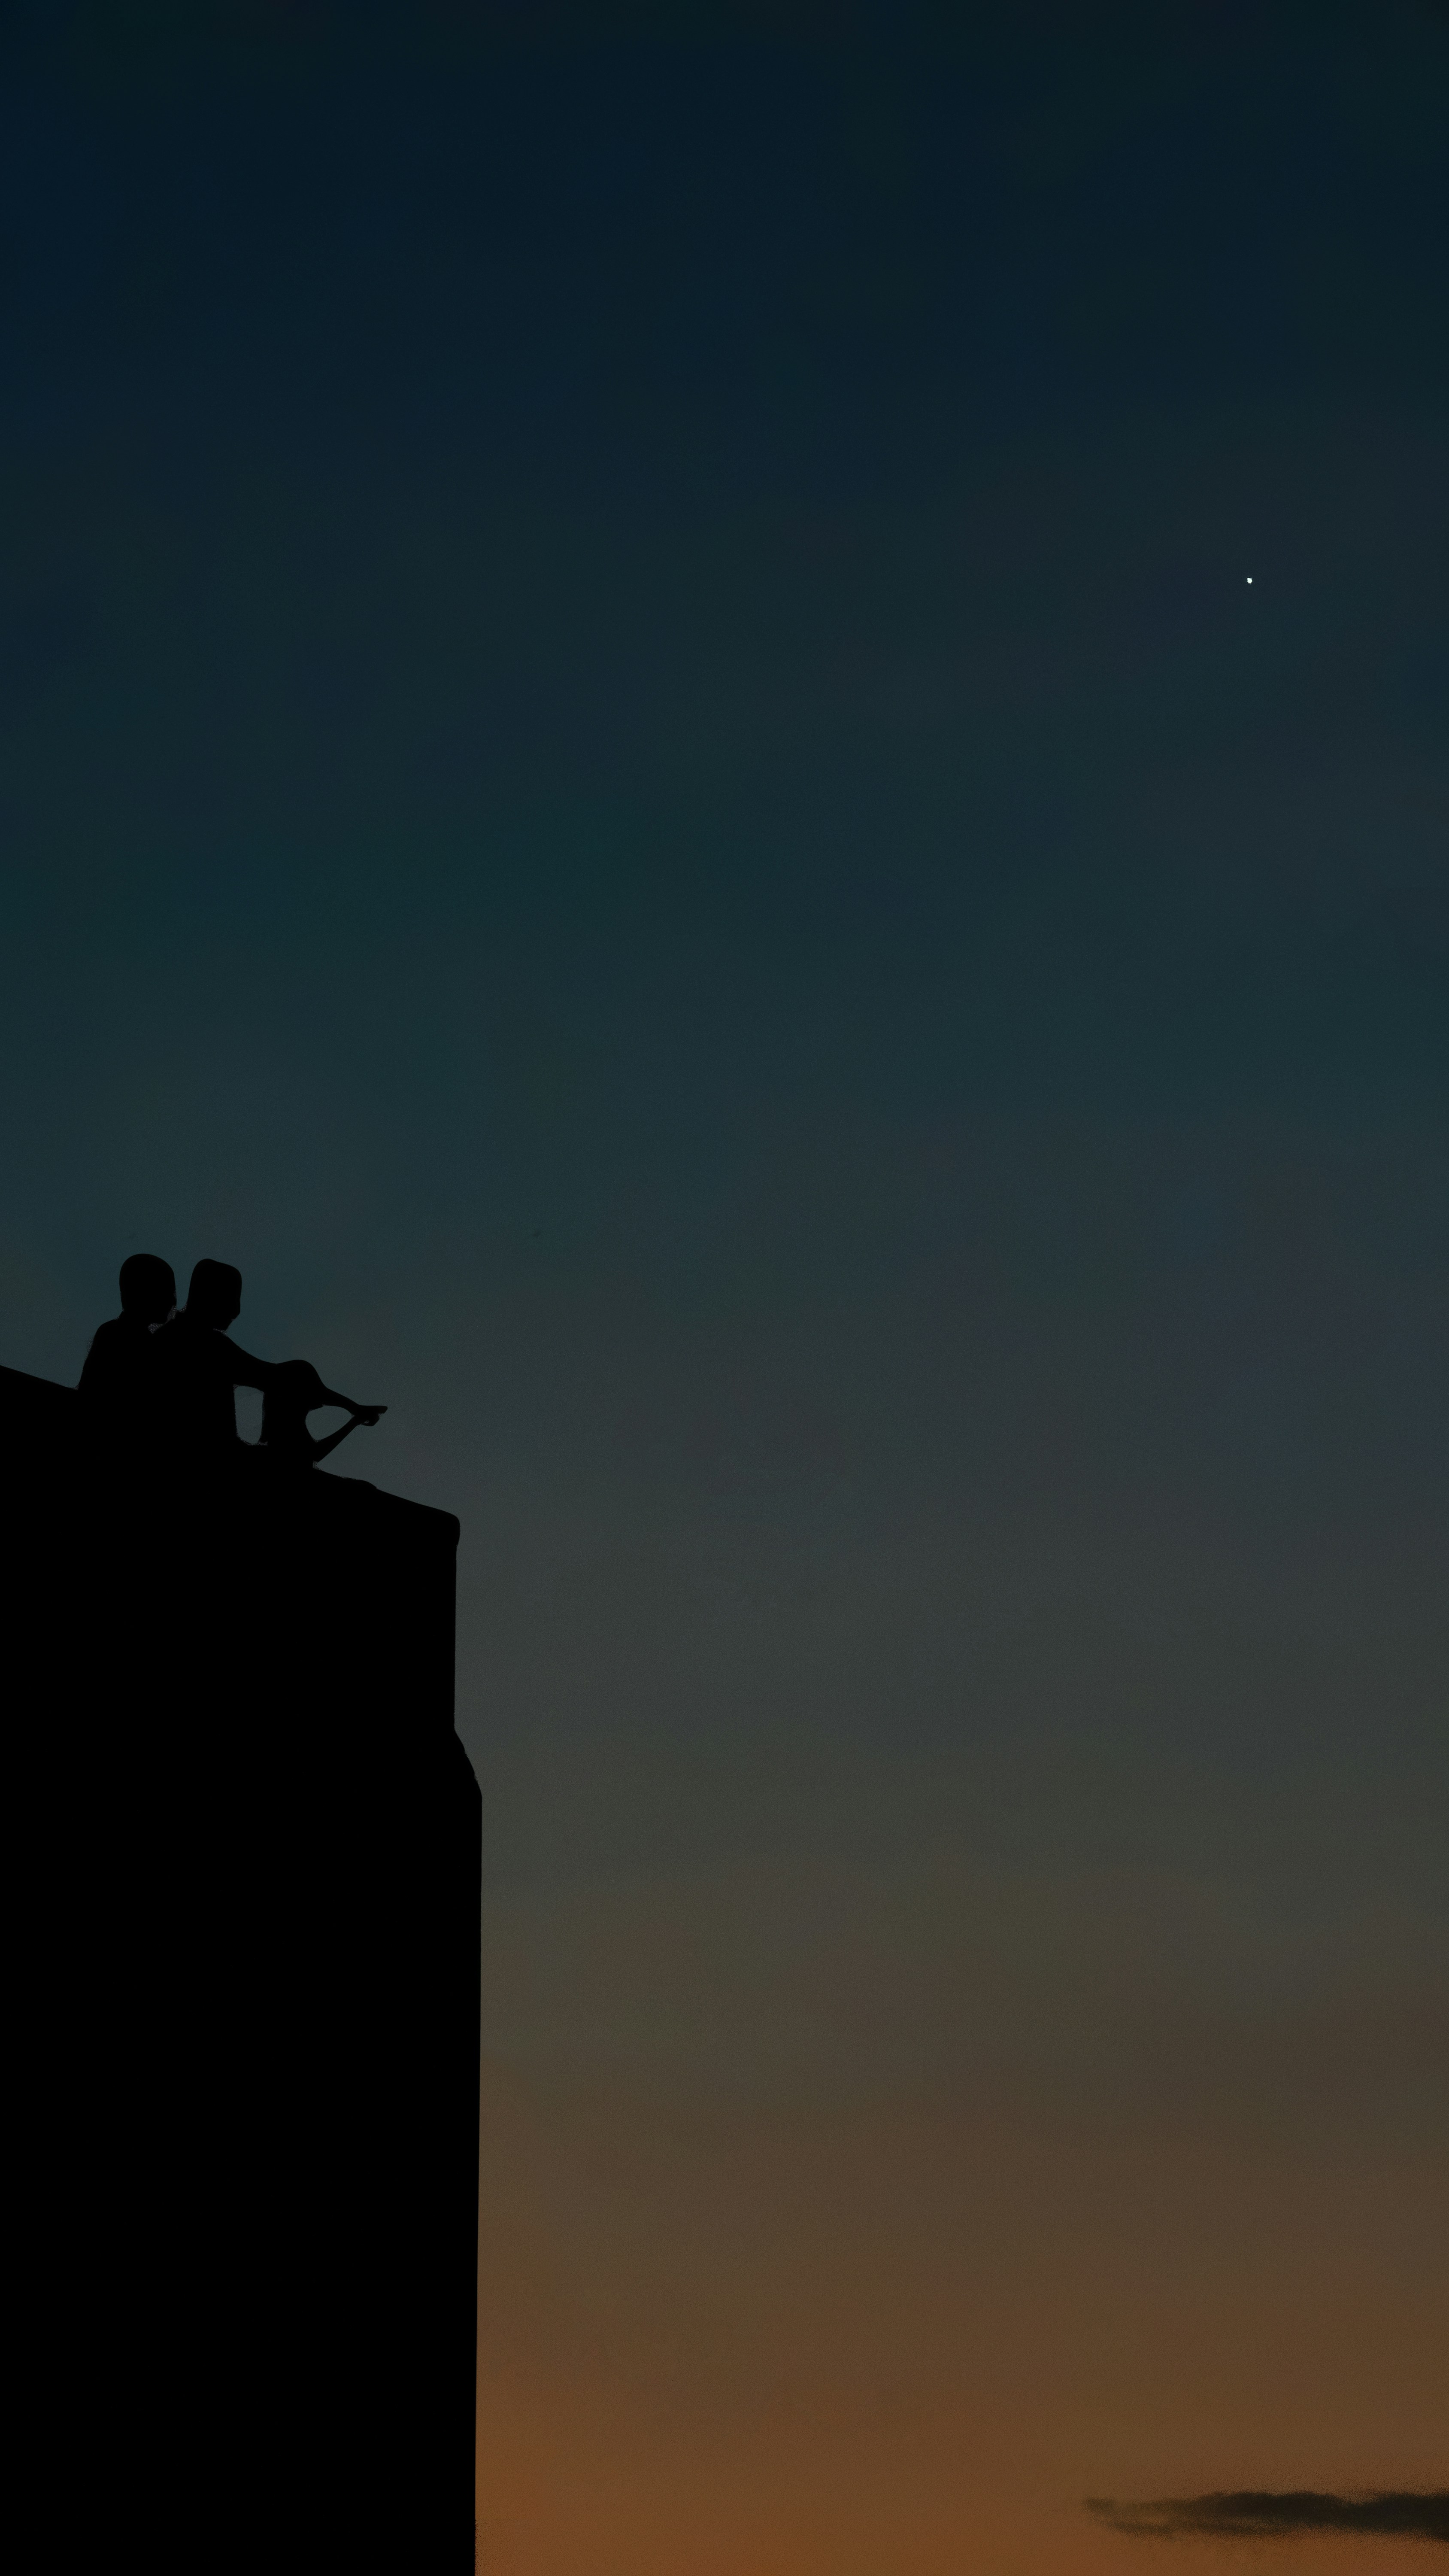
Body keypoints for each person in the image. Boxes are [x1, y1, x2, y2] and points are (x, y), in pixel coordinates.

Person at [78, 1255, 176, 1443]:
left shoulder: (120, 1334)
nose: (173, 1302)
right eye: (167, 1292)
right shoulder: (117, 1336)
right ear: (144, 1293)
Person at [256, 1360, 385, 1471]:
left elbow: (324, 1396)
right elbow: (313, 1454)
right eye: (314, 1397)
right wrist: (355, 1419)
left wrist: (357, 1410)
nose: (320, 1405)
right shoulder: (289, 1425)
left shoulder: (284, 1418)